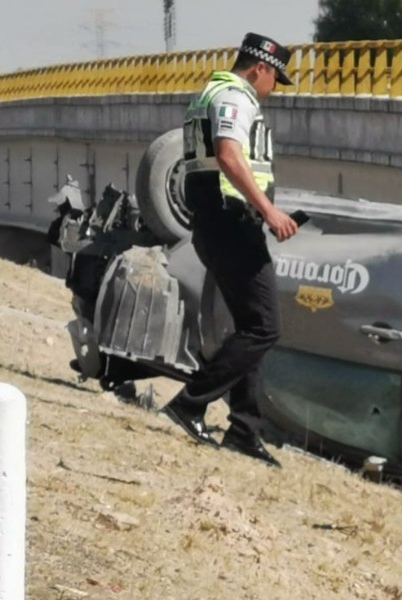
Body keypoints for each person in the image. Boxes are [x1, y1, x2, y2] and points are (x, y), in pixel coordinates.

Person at [160, 32, 299, 468]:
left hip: (219, 222)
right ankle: (190, 402)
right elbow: (229, 156)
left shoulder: (211, 93)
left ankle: (244, 428)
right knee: (264, 328)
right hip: (230, 222)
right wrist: (270, 211)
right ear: (260, 68)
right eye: (275, 78)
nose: (274, 88)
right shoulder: (235, 98)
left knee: (251, 326)